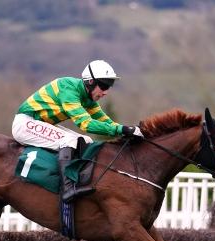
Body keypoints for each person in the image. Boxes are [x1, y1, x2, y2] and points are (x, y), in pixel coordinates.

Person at [12, 60, 144, 203]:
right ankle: (67, 189)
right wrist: (121, 129)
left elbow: (106, 122)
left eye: (109, 86)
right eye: (104, 85)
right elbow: (85, 124)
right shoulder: (68, 87)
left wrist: (128, 131)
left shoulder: (89, 99)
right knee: (69, 140)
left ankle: (78, 180)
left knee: (86, 140)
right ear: (90, 82)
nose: (106, 92)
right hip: (24, 124)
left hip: (39, 124)